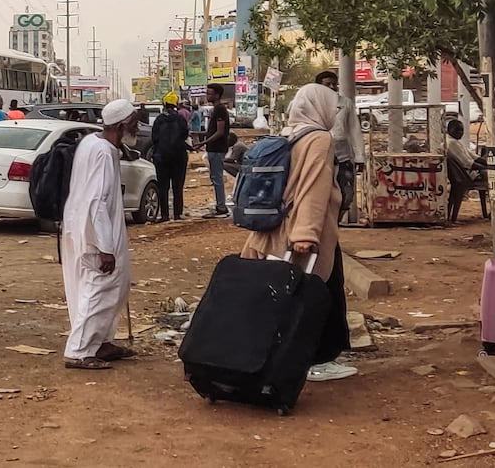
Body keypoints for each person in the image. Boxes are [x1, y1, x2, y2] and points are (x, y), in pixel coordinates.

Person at [240, 83, 354, 383]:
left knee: (287, 294)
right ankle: (317, 359)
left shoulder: (290, 134)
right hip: (305, 233)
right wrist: (307, 235)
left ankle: (273, 354)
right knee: (316, 294)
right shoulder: (319, 139)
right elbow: (313, 188)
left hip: (277, 229)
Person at [61, 98, 139, 370]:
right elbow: (97, 202)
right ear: (121, 126)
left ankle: (101, 342)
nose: (137, 128)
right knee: (100, 289)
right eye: (134, 123)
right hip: (95, 233)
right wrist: (105, 247)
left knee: (113, 289)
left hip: (82, 227)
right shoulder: (103, 152)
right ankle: (80, 350)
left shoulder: (94, 143)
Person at [315, 71, 366, 221]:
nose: (331, 87)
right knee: (319, 197)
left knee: (345, 196)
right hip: (318, 157)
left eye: (334, 84)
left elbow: (354, 131)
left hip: (343, 157)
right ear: (318, 86)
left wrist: (360, 157)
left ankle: (334, 226)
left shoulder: (346, 103)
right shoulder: (312, 103)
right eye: (327, 84)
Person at [151, 92, 191, 222]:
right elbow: (185, 135)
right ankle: (178, 214)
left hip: (162, 157)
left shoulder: (159, 120)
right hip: (179, 156)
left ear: (164, 104)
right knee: (177, 187)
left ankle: (164, 215)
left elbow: (154, 138)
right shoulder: (180, 119)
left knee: (163, 188)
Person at [194, 83, 231, 218]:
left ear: (217, 95)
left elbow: (220, 132)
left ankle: (221, 208)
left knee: (217, 178)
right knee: (215, 177)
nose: (207, 95)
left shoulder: (220, 110)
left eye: (209, 93)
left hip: (217, 148)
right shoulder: (216, 109)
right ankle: (220, 206)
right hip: (214, 148)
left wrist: (203, 142)